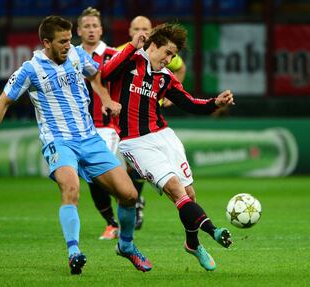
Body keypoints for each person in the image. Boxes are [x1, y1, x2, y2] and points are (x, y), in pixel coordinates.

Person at [0, 15, 152, 275]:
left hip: (89, 138)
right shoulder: (30, 69)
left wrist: (105, 99)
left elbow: (96, 75)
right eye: (62, 42)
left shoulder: (78, 56)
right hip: (59, 141)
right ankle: (74, 252)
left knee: (129, 195)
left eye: (70, 40)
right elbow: (2, 103)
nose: (69, 45)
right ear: (46, 42)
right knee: (71, 189)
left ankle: (126, 245)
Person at [102, 23, 234, 271]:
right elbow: (106, 73)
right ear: (153, 46)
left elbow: (190, 103)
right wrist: (132, 45)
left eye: (173, 55)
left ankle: (192, 244)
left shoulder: (165, 78)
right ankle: (213, 230)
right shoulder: (130, 61)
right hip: (135, 142)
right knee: (176, 190)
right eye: (167, 53)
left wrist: (215, 102)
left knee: (189, 195)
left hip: (164, 136)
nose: (170, 59)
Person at [116, 16, 188, 229]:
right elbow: (105, 74)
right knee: (120, 171)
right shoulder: (123, 51)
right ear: (130, 31)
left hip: (150, 120)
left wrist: (168, 95)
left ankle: (135, 204)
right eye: (137, 28)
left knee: (138, 168)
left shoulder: (164, 53)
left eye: (146, 28)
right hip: (122, 121)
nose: (142, 32)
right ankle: (130, 205)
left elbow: (180, 68)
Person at [77, 7, 120, 240]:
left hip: (106, 126)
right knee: (90, 175)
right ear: (79, 30)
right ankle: (125, 206)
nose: (91, 30)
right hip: (79, 128)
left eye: (95, 26)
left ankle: (116, 220)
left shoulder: (113, 55)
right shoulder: (70, 56)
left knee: (96, 172)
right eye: (87, 26)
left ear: (101, 29)